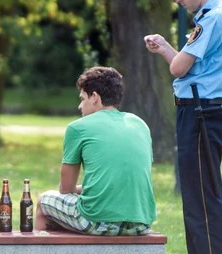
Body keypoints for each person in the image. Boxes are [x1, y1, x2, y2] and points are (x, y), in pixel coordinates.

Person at [143, 0, 222, 254]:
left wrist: (166, 52)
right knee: (201, 194)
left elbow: (178, 68)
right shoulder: (221, 12)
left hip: (202, 115)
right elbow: (187, 68)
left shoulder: (212, 18)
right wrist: (164, 47)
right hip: (208, 111)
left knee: (200, 197)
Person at [35, 66, 157, 236]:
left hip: (96, 221)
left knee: (44, 202)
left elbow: (66, 188)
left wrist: (82, 189)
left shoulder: (78, 128)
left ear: (94, 97)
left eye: (82, 98)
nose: (80, 106)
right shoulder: (139, 124)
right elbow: (128, 176)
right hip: (141, 222)